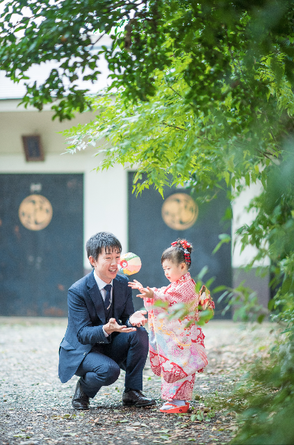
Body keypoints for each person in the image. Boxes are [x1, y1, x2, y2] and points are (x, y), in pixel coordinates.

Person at [58, 232, 156, 410]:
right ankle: (83, 390)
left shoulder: (122, 282)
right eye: (108, 257)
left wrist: (132, 319)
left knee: (139, 333)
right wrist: (106, 328)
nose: (114, 263)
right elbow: (82, 334)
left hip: (108, 343)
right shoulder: (77, 291)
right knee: (110, 371)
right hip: (82, 350)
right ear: (93, 260)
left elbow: (126, 317)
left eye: (117, 257)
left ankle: (132, 392)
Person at [129, 239, 214, 414]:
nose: (166, 272)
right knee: (173, 365)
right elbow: (165, 293)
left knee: (179, 366)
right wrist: (148, 291)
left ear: (182, 267)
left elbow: (168, 299)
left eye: (169, 268)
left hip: (181, 339)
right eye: (164, 269)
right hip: (176, 338)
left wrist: (153, 294)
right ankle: (175, 400)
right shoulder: (179, 284)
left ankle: (180, 401)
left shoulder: (186, 287)